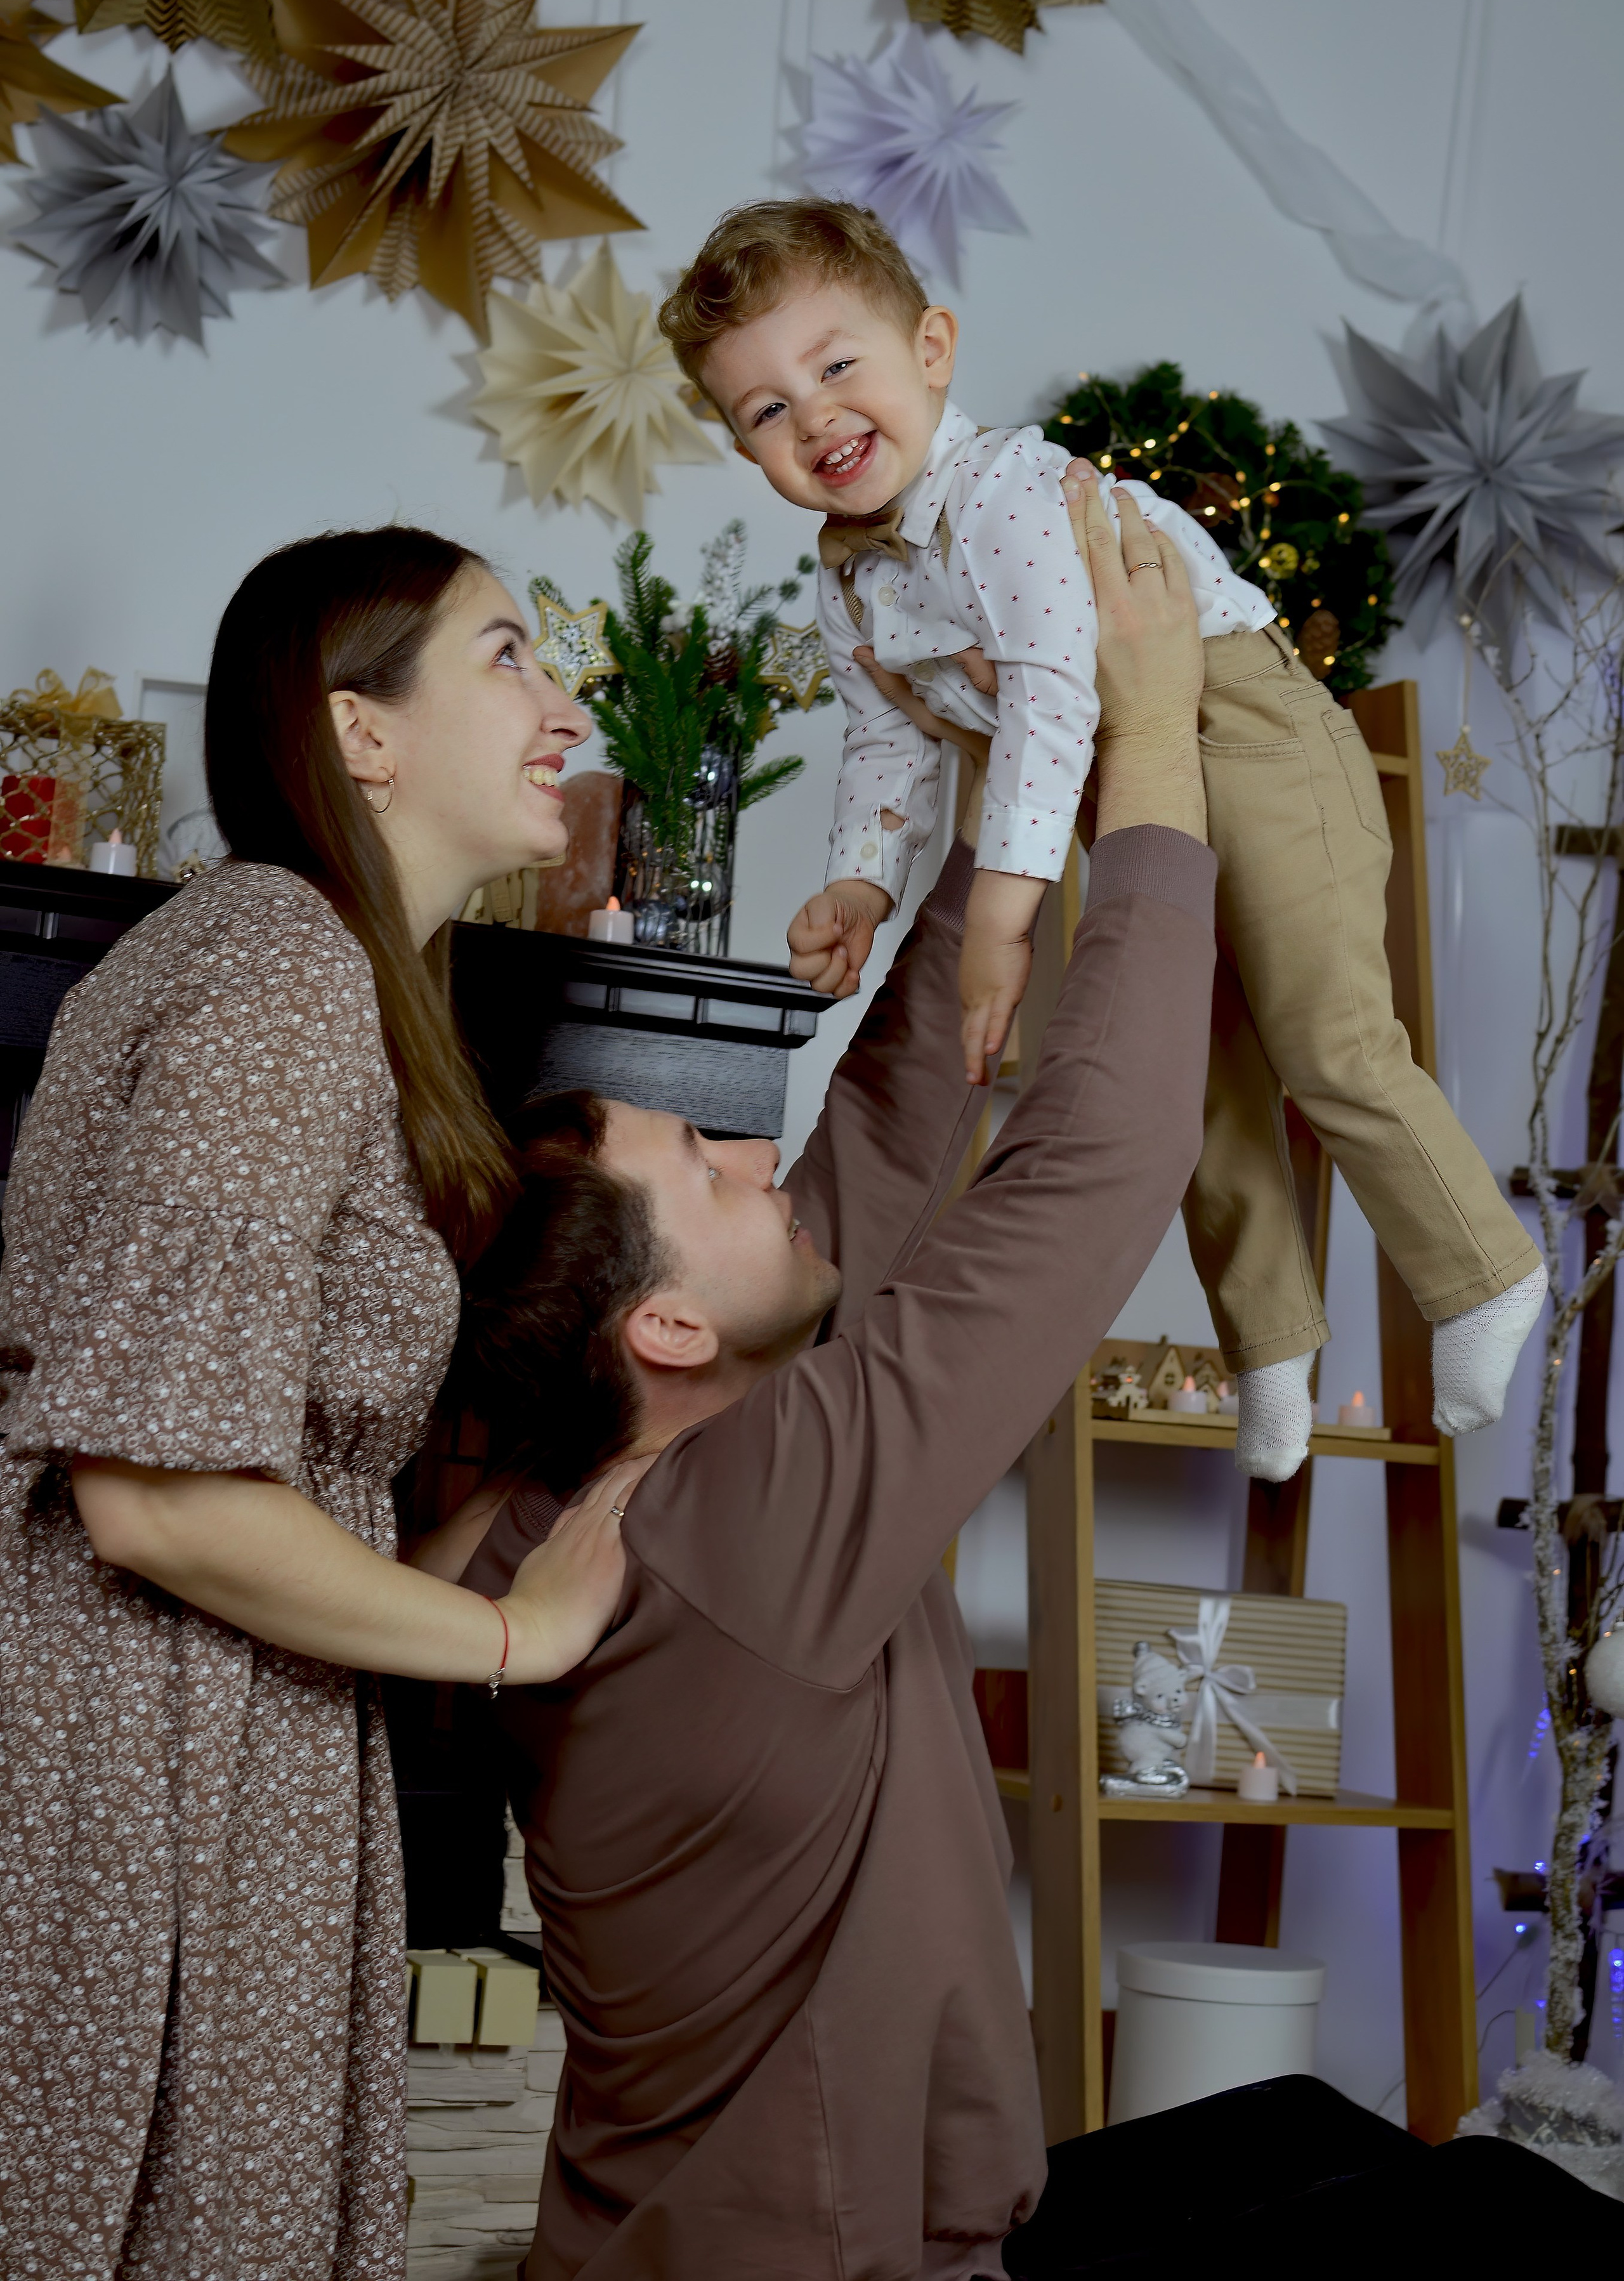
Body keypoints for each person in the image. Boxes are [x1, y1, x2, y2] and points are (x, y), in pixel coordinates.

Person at [423, 479, 1207, 2280]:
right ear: (667, 1332)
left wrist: (999, 812)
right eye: (701, 1169)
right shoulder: (758, 1518)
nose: (746, 1159)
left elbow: (877, 1134)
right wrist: (1155, 755)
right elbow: (1096, 1161)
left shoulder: (595, 1500)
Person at [656, 197, 1545, 1480]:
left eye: (836, 365)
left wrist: (1004, 920)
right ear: (745, 451)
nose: (814, 420)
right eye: (765, 410)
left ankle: (1481, 1271)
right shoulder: (849, 579)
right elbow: (890, 746)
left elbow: (1055, 701)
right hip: (1123, 795)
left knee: (1320, 1035)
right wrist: (859, 876)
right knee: (1196, 1079)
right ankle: (1270, 1343)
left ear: (931, 349)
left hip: (1249, 741)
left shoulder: (1015, 496)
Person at [0, 530, 636, 2281]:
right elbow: (159, 1497)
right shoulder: (283, 964)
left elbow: (239, 1458)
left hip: (204, 1721)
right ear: (363, 732)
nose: (561, 706)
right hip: (161, 1746)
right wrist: (515, 1636)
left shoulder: (301, 967)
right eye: (506, 655)